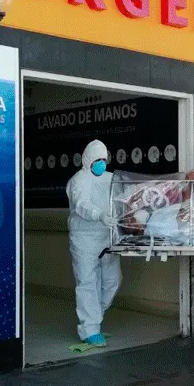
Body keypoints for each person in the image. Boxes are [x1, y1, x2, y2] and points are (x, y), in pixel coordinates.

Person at [66, 140, 121, 347]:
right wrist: (99, 215)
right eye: (97, 159)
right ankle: (89, 329)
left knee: (112, 280)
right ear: (88, 159)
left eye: (104, 159)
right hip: (84, 239)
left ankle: (95, 315)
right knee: (87, 283)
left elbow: (123, 196)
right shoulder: (78, 180)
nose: (101, 163)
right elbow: (81, 204)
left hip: (107, 236)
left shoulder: (111, 179)